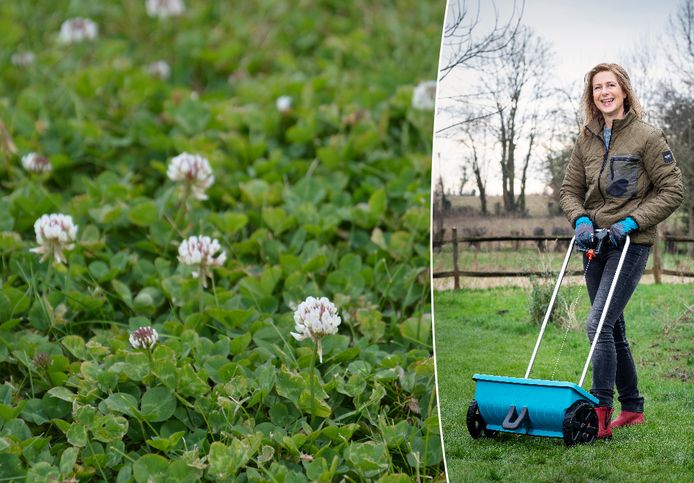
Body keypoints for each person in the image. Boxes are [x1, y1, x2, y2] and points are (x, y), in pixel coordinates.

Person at [559, 63, 684, 439]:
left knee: (598, 325)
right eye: (597, 87)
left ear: (624, 91)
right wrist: (580, 219)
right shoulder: (586, 138)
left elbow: (673, 191)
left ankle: (600, 413)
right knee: (613, 327)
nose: (604, 92)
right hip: (594, 244)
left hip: (630, 243)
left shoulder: (647, 136)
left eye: (610, 85)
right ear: (592, 95)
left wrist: (631, 223)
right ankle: (632, 408)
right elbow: (569, 190)